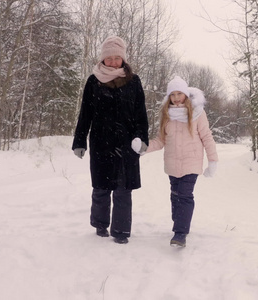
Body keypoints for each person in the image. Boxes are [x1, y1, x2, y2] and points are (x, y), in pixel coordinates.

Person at [72, 36, 149, 244]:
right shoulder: (93, 81)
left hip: (127, 143)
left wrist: (142, 138)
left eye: (117, 58)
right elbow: (85, 113)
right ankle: (100, 224)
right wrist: (80, 141)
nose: (114, 62)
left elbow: (141, 114)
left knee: (123, 190)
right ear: (103, 59)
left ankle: (121, 231)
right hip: (101, 142)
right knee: (101, 188)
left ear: (123, 59)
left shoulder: (133, 81)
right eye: (110, 58)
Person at [131, 76, 218, 247]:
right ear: (169, 96)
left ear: (185, 94)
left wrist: (212, 160)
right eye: (173, 94)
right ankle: (180, 223)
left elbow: (207, 137)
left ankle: (180, 233)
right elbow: (160, 140)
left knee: (185, 196)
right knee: (175, 196)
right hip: (172, 164)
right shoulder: (166, 115)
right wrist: (143, 148)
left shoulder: (198, 113)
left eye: (179, 93)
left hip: (191, 163)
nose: (176, 97)